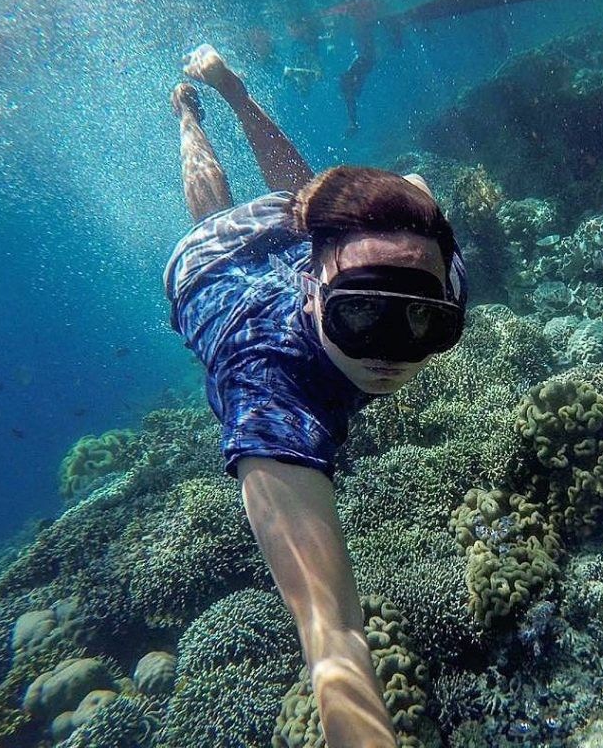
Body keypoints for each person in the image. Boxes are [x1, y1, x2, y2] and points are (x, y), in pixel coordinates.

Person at [165, 44, 467, 747]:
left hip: (310, 247)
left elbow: (414, 197)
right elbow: (332, 640)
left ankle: (237, 95)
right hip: (211, 265)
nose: (391, 351)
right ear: (313, 287)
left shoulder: (440, 268)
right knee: (216, 212)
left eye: (422, 320)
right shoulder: (267, 384)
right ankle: (192, 114)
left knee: (310, 198)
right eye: (360, 315)